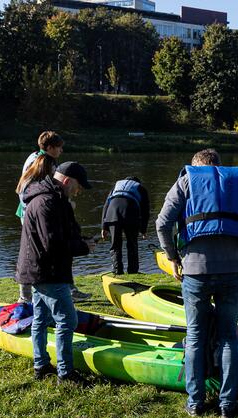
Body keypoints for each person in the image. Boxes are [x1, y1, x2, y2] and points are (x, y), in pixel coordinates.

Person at [156, 149, 238, 418]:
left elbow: (162, 223)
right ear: (219, 168)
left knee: (196, 336)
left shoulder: (186, 181)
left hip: (195, 272)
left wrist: (172, 257)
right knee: (227, 337)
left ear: (196, 167)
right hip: (233, 270)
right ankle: (227, 405)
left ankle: (196, 403)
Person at [16, 161, 96, 383]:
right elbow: (51, 244)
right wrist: (83, 248)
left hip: (40, 269)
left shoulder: (53, 198)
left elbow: (60, 234)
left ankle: (41, 365)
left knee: (41, 318)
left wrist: (81, 240)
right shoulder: (46, 202)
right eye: (78, 186)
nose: (79, 191)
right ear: (67, 181)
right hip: (47, 271)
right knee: (67, 320)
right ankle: (65, 373)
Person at [15, 131, 91, 303]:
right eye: (59, 147)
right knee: (36, 251)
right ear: (49, 147)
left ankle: (65, 288)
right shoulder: (42, 163)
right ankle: (26, 297)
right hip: (34, 212)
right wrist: (62, 205)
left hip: (32, 210)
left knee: (38, 250)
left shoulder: (38, 158)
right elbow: (35, 191)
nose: (61, 151)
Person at [101, 176, 150, 274]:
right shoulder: (140, 187)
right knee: (132, 244)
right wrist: (143, 230)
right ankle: (133, 271)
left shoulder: (116, 187)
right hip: (130, 212)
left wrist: (104, 227)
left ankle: (117, 270)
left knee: (115, 244)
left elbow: (106, 205)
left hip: (112, 213)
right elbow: (145, 210)